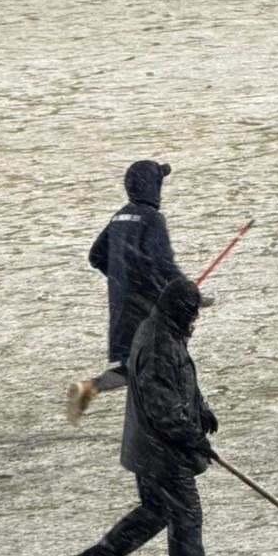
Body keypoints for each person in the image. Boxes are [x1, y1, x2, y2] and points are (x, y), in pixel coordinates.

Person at [67, 275, 231, 556]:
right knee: (186, 517)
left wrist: (200, 410)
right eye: (195, 313)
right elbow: (164, 410)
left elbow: (180, 383)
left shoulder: (165, 332)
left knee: (156, 512)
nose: (197, 319)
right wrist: (193, 439)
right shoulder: (160, 345)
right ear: (181, 312)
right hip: (162, 454)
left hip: (150, 449)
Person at [65, 159, 192, 424]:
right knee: (152, 365)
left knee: (134, 364)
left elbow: (96, 256)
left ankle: (92, 389)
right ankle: (160, 421)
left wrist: (123, 278)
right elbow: (164, 264)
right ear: (153, 186)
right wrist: (190, 294)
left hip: (122, 306)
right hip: (147, 309)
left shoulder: (120, 216)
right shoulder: (152, 219)